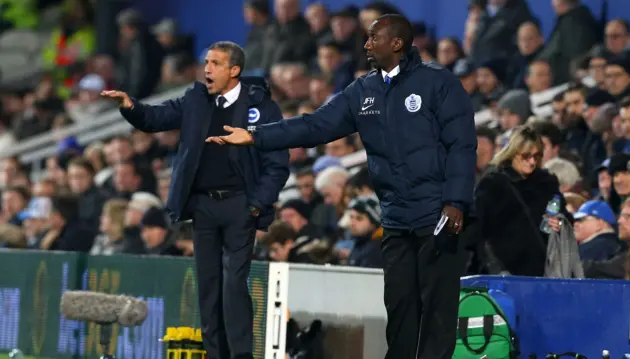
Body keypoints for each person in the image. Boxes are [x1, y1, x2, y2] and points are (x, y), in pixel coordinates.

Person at [209, 14, 476, 359]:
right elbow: (314, 125)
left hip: (436, 213)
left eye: (373, 38)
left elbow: (462, 145)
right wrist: (258, 136)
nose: (365, 45)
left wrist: (456, 200)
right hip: (395, 217)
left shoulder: (437, 83)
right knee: (399, 307)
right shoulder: (363, 91)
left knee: (438, 309)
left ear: (396, 43)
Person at [101, 41, 289, 359]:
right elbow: (156, 118)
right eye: (206, 62)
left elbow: (278, 163)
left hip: (240, 205)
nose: (207, 69)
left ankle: (241, 355)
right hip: (203, 207)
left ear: (235, 70)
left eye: (215, 63)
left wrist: (257, 204)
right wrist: (129, 106)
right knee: (208, 288)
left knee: (233, 285)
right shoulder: (196, 100)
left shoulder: (261, 106)